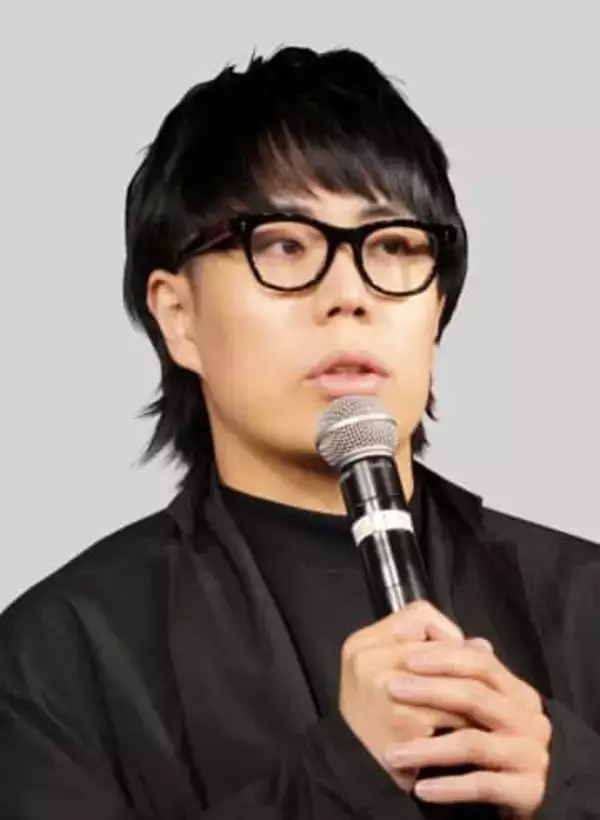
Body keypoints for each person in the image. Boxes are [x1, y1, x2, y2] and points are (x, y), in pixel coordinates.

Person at [0, 45, 598, 820]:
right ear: (178, 316)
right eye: (283, 244)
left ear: (438, 308)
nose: (349, 294)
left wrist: (572, 785)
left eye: (393, 246)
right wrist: (339, 780)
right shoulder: (58, 658)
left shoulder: (585, 599)